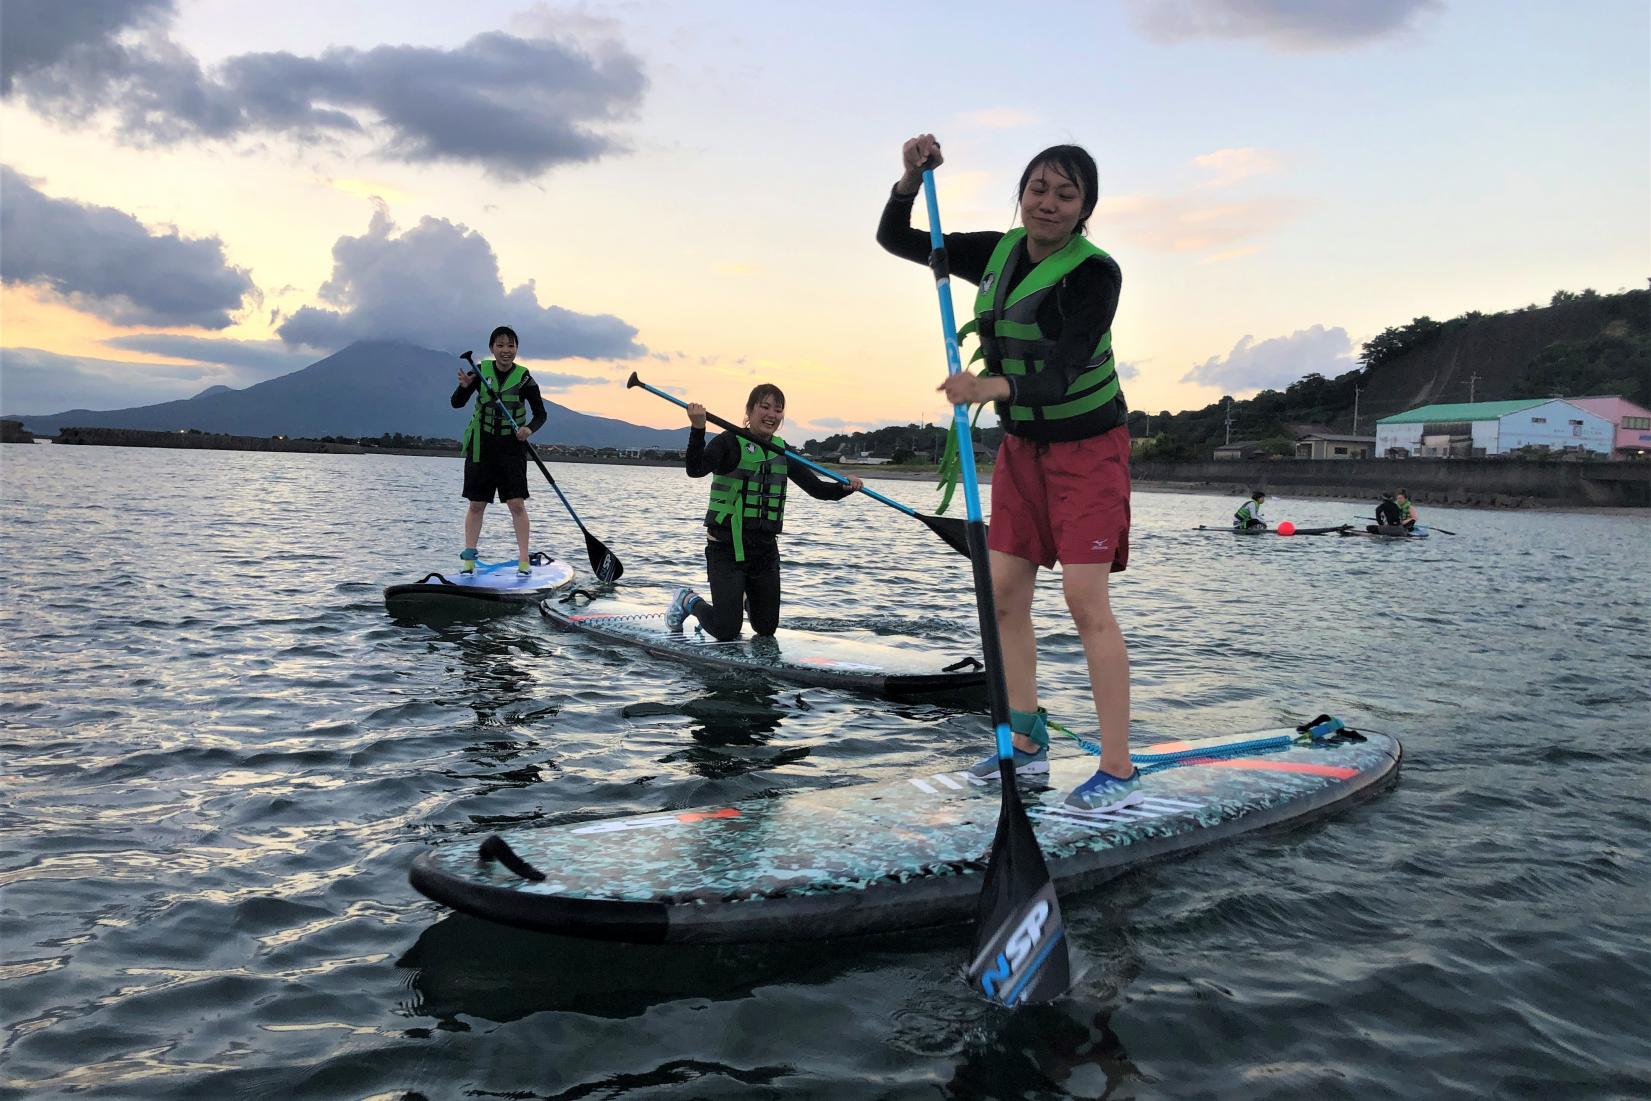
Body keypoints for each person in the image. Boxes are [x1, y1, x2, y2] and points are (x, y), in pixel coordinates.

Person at [878, 133, 1141, 813]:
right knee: (1000, 596)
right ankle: (1025, 741)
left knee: (1084, 601)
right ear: (1021, 194)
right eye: (1037, 189)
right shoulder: (997, 251)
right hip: (1023, 451)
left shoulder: (1095, 275)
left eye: (1065, 195)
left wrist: (984, 388)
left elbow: (1063, 371)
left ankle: (1117, 768)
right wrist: (908, 180)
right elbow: (895, 238)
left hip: (1089, 451)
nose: (1048, 204)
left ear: (1084, 209)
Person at [664, 384, 863, 641]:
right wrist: (698, 428)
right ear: (749, 410)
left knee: (766, 628)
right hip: (726, 548)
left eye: (778, 410)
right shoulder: (728, 442)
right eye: (765, 407)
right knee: (726, 630)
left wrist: (845, 487)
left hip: (764, 551)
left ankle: (741, 597)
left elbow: (817, 489)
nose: (772, 415)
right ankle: (688, 600)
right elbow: (695, 469)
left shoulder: (783, 451)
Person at [452, 326, 547, 575]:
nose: (506, 350)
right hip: (481, 446)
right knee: (476, 504)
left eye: (511, 345)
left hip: (511, 448)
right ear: (492, 348)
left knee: (516, 504)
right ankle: (469, 560)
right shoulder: (479, 372)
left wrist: (528, 429)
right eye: (500, 345)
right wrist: (464, 387)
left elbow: (541, 414)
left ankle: (524, 560)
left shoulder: (525, 378)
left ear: (516, 349)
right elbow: (456, 403)